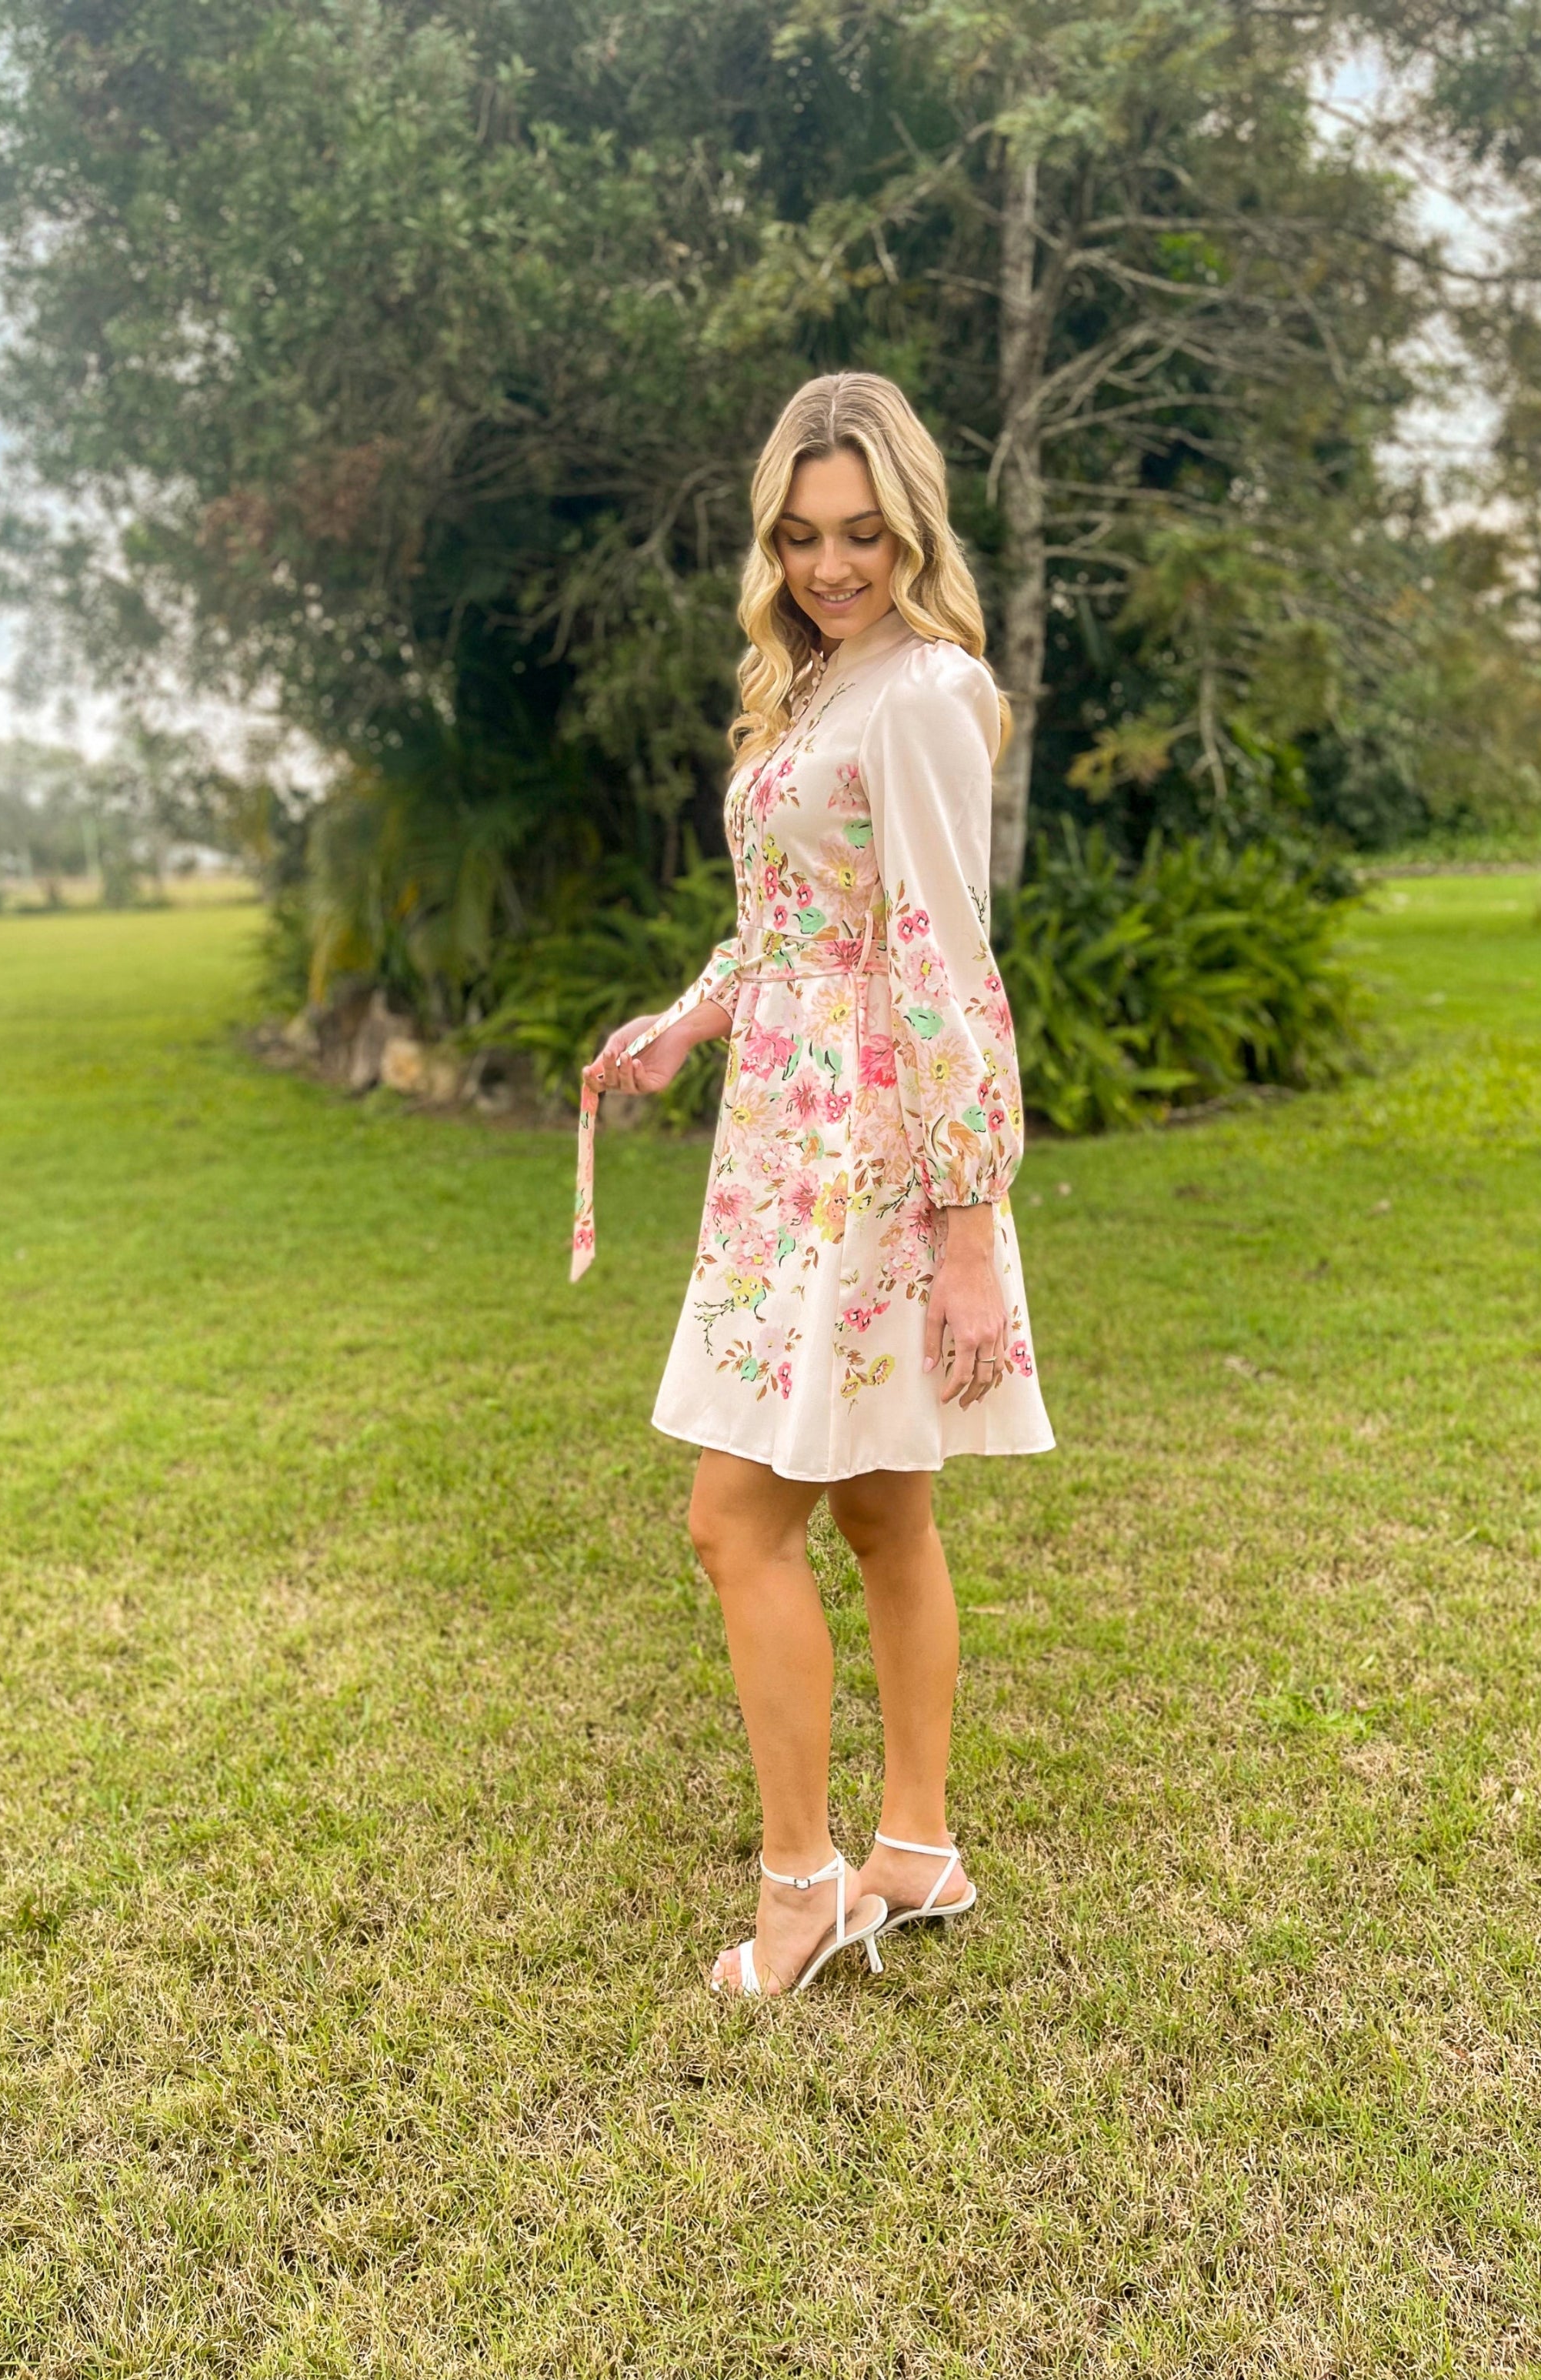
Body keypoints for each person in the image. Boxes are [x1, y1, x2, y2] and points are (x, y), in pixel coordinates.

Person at [575, 371, 1055, 1997]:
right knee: (876, 1505)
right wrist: (680, 1023)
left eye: (858, 533)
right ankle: (912, 1847)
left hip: (872, 1167)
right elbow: (788, 921)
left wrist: (970, 1231)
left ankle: (806, 1886)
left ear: (908, 521)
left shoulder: (922, 689)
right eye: (798, 536)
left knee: (732, 1521)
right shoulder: (815, 679)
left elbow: (939, 961)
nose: (828, 563)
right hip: (780, 1154)